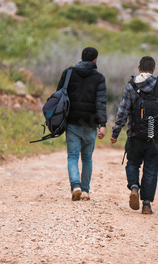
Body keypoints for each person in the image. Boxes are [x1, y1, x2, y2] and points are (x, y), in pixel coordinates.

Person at [110, 56, 158, 214]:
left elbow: (123, 111)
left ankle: (134, 187)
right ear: (153, 69)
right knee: (151, 169)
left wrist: (116, 131)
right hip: (155, 136)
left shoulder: (131, 85)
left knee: (133, 163)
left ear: (138, 68)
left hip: (135, 134)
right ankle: (146, 204)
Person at [56, 47, 107, 201]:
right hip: (90, 124)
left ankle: (75, 186)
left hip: (72, 122)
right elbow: (101, 102)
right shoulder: (99, 78)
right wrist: (103, 124)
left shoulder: (69, 73)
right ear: (95, 60)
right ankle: (85, 191)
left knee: (72, 156)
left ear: (81, 57)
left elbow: (59, 94)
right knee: (87, 158)